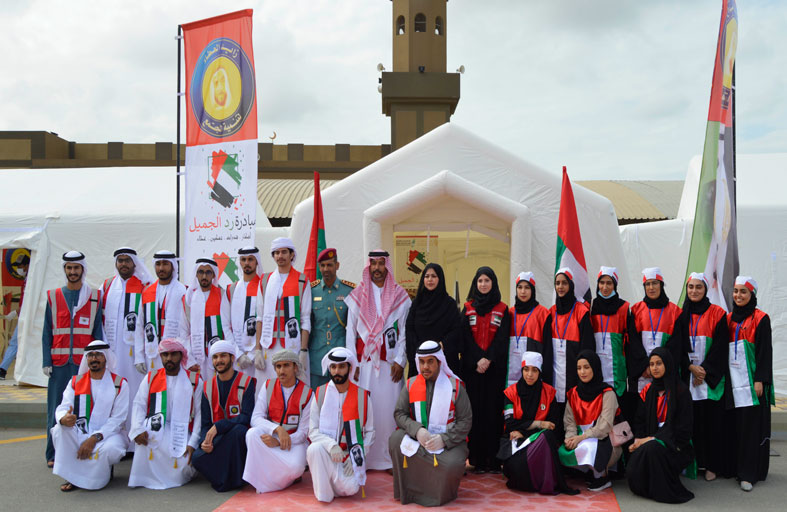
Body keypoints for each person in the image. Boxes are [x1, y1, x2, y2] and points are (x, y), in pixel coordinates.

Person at [344, 250, 410, 470]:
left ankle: (390, 458)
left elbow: (404, 332)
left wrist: (400, 361)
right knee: (366, 409)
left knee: (389, 412)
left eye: (382, 264)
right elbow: (350, 332)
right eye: (374, 264)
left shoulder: (400, 295)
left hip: (390, 365)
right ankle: (365, 457)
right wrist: (351, 363)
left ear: (387, 266)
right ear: (369, 267)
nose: (377, 268)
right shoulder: (358, 295)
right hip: (363, 364)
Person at [389, 340, 472, 506]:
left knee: (453, 464)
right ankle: (410, 493)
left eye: (430, 362)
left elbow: (465, 421)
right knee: (395, 439)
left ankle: (438, 495)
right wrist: (417, 431)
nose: (425, 367)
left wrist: (444, 439)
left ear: (439, 361)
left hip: (448, 443)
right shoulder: (411, 384)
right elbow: (399, 413)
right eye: (422, 362)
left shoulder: (455, 387)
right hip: (420, 440)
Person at [42, 251, 103, 466]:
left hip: (84, 365)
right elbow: (47, 331)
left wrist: (99, 362)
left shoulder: (94, 297)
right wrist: (46, 361)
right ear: (65, 270)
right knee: (56, 409)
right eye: (69, 268)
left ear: (82, 269)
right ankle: (52, 454)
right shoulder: (54, 296)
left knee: (83, 409)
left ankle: (78, 450)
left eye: (76, 268)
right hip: (59, 365)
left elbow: (98, 333)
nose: (73, 272)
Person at [51, 340, 129, 491]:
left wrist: (94, 438)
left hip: (109, 434)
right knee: (59, 430)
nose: (94, 359)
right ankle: (72, 476)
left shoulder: (119, 384)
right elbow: (64, 406)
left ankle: (100, 475)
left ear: (106, 358)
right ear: (86, 358)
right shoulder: (76, 382)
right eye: (91, 355)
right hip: (81, 430)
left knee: (111, 449)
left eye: (98, 355)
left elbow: (118, 420)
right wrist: (64, 419)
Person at [128, 338, 202, 490]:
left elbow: (200, 413)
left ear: (181, 355)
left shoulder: (194, 380)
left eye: (173, 354)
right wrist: (137, 429)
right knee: (145, 435)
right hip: (156, 428)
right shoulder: (151, 378)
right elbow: (139, 404)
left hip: (182, 430)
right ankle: (146, 479)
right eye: (165, 354)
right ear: (160, 356)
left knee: (186, 463)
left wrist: (193, 443)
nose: (169, 358)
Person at [500, 351, 577, 496]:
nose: (530, 374)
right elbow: (510, 424)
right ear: (522, 370)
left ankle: (545, 481)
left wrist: (523, 431)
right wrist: (539, 424)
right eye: (526, 369)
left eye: (534, 370)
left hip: (539, 445)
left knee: (547, 436)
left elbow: (553, 426)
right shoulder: (510, 393)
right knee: (517, 467)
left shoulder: (549, 393)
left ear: (540, 372)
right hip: (516, 443)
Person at [678, 272, 729, 481]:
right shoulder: (681, 314)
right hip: (688, 376)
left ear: (705, 290)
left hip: (709, 380)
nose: (694, 291)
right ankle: (691, 463)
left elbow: (721, 347)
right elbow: (677, 346)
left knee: (711, 424)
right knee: (690, 424)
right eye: (691, 287)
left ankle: (711, 465)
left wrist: (703, 371)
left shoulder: (718, 313)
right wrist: (690, 367)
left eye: (698, 287)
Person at [306, 347, 374, 503]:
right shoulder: (320, 393)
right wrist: (331, 445)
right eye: (333, 367)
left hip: (348, 457)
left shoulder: (363, 396)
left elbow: (370, 432)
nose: (337, 371)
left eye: (342, 366)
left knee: (351, 489)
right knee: (314, 449)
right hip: (327, 453)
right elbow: (313, 430)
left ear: (349, 368)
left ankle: (329, 483)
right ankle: (325, 496)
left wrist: (358, 455)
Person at [627, 347, 694, 503]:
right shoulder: (648, 391)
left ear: (668, 364)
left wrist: (651, 440)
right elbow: (639, 421)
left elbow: (683, 429)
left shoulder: (681, 391)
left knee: (652, 448)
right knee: (634, 463)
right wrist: (638, 440)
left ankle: (662, 489)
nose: (655, 368)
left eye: (659, 363)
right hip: (649, 442)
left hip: (675, 445)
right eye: (651, 364)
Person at [461, 266, 510, 473]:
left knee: (493, 414)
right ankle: (477, 459)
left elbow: (502, 339)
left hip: (494, 372)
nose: (483, 284)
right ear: (475, 283)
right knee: (475, 413)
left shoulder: (503, 309)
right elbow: (464, 338)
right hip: (473, 372)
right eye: (480, 281)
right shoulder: (467, 308)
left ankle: (493, 459)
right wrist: (477, 360)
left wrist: (488, 359)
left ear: (493, 283)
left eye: (487, 280)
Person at [727, 276, 773, 491]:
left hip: (752, 384)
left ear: (752, 294)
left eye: (743, 291)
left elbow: (765, 352)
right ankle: (734, 467)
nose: (738, 295)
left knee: (751, 429)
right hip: (733, 383)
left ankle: (749, 473)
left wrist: (760, 379)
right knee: (734, 427)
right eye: (736, 291)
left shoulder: (761, 318)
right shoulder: (729, 319)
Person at [243, 349, 312, 493]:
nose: (281, 370)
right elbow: (255, 418)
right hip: (272, 437)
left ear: (295, 367)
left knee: (297, 468)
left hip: (294, 443)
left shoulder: (308, 393)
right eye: (278, 366)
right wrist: (276, 430)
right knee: (252, 434)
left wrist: (280, 442)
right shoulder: (267, 386)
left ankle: (271, 480)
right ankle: (276, 478)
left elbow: (303, 433)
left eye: (286, 365)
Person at [102, 247, 154, 437]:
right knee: (113, 394)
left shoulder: (144, 286)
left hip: (135, 354)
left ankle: (134, 437)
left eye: (127, 260)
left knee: (135, 393)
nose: (123, 264)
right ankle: (113, 437)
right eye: (120, 260)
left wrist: (142, 353)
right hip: (112, 351)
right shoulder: (107, 286)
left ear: (134, 263)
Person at [192, 339, 256, 492]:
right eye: (215, 357)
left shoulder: (246, 382)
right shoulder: (207, 387)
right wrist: (204, 442)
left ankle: (231, 480)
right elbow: (205, 423)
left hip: (237, 437)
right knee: (197, 458)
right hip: (218, 438)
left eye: (223, 356)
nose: (219, 360)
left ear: (232, 358)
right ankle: (229, 478)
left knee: (240, 431)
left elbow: (247, 416)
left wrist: (219, 426)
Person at [558, 350, 621, 491]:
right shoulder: (573, 393)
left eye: (586, 367)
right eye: (579, 368)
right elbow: (569, 422)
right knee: (563, 451)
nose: (582, 372)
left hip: (605, 440)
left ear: (595, 368)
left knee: (589, 447)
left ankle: (602, 476)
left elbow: (604, 427)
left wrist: (581, 438)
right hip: (581, 438)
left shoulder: (607, 393)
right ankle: (588, 471)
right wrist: (570, 438)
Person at [254, 237, 312, 385]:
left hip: (293, 346)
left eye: (284, 252)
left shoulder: (302, 280)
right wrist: (258, 349)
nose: (280, 256)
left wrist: (303, 351)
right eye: (277, 252)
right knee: (268, 389)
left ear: (292, 254)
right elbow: (259, 317)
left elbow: (305, 319)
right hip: (268, 346)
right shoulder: (265, 280)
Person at [547, 268, 594, 423]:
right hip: (554, 377)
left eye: (564, 283)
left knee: (572, 420)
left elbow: (587, 347)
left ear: (571, 285)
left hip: (575, 377)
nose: (560, 287)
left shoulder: (581, 312)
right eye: (557, 283)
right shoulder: (551, 312)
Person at [627, 267, 682, 396]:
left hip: (665, 372)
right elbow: (633, 343)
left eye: (655, 283)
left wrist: (659, 366)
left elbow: (676, 344)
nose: (651, 288)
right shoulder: (636, 310)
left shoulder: (675, 312)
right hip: (642, 374)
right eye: (647, 284)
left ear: (661, 285)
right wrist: (646, 367)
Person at [405, 263, 462, 379]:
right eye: (427, 276)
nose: (430, 279)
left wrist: (441, 345)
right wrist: (421, 350)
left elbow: (456, 330)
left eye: (434, 276)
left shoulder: (449, 304)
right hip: (421, 362)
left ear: (440, 279)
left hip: (443, 361)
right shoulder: (416, 304)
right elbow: (410, 329)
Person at [590, 267, 633, 419]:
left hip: (617, 371)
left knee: (619, 414)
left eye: (609, 283)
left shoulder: (624, 308)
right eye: (602, 283)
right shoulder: (591, 307)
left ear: (615, 285)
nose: (605, 287)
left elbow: (630, 342)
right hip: (596, 370)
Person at [309, 248, 355, 388]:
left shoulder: (349, 290)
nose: (326, 269)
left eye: (329, 265)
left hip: (341, 357)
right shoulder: (311, 291)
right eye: (322, 265)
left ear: (337, 265)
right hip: (317, 357)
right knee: (318, 397)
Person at [135, 250, 186, 374]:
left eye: (165, 264)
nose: (161, 268)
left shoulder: (183, 291)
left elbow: (186, 327)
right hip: (152, 353)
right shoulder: (147, 292)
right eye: (158, 264)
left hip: (175, 354)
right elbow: (140, 325)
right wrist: (139, 356)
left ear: (173, 266)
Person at [180, 258, 232, 380]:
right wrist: (189, 359)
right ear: (196, 274)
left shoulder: (222, 295)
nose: (204, 276)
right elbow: (183, 331)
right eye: (201, 272)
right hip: (195, 358)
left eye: (208, 272)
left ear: (213, 275)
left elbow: (228, 328)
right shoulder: (188, 298)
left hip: (218, 357)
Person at [507, 272, 552, 387]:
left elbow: (548, 349)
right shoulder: (509, 314)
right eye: (520, 287)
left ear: (532, 290)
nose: (523, 291)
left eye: (527, 287)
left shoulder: (543, 314)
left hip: (533, 376)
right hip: (510, 375)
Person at [228, 247, 262, 381]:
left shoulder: (264, 286)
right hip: (237, 356)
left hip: (259, 355)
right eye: (243, 259)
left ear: (257, 261)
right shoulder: (232, 289)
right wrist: (238, 354)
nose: (247, 263)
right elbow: (225, 325)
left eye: (250, 259)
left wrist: (254, 352)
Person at [0, 252, 29, 380]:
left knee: (14, 343)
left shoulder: (31, 280)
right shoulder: (27, 280)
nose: (19, 269)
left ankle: (2, 370)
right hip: (25, 315)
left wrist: (15, 313)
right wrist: (15, 313)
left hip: (28, 317)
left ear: (27, 265)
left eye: (20, 266)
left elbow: (28, 302)